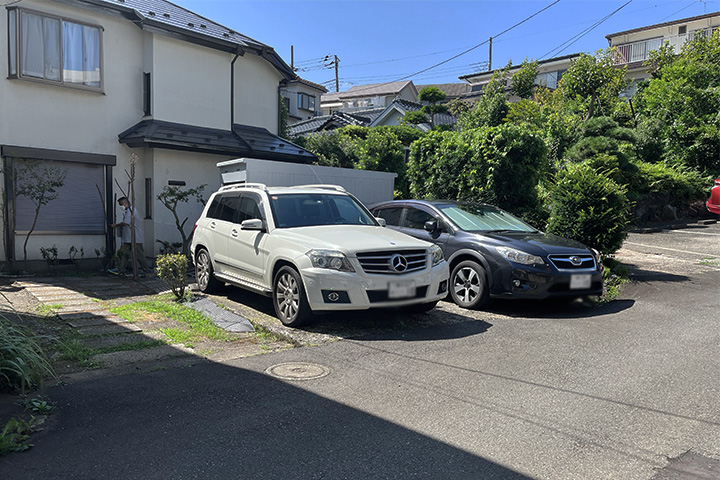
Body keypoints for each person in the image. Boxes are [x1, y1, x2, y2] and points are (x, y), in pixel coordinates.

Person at [109, 197, 149, 275]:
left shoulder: (131, 211)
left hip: (135, 236)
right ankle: (120, 269)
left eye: (121, 204)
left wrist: (116, 225)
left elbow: (126, 222)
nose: (121, 206)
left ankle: (145, 269)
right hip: (128, 237)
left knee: (139, 254)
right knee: (123, 253)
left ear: (125, 203)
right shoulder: (128, 211)